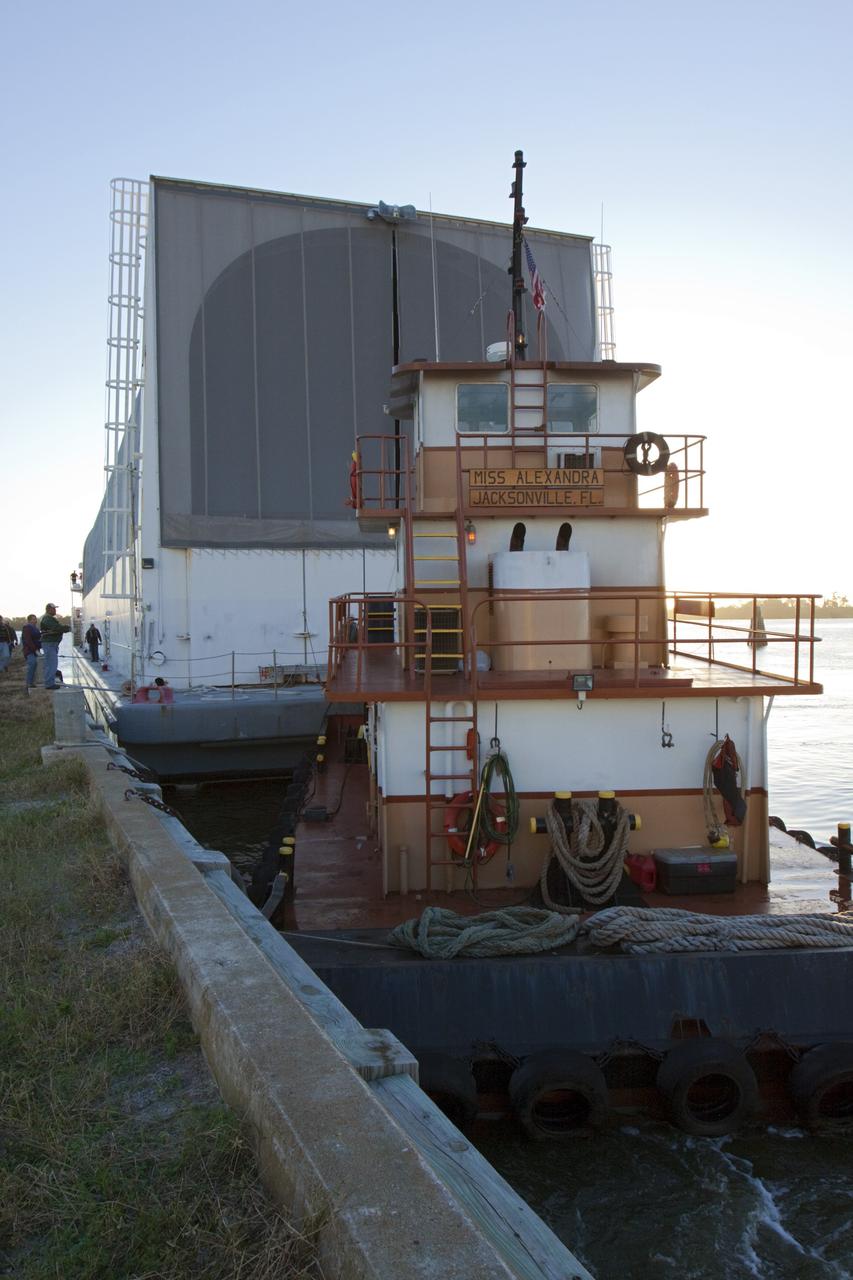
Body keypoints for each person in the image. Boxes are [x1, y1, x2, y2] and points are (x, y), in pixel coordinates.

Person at [39, 603, 70, 690]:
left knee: (51, 663)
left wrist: (63, 628)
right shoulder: (47, 618)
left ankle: (50, 682)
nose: (55, 610)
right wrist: (67, 628)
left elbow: (57, 628)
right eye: (54, 609)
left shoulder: (49, 618)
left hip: (52, 644)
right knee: (51, 664)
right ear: (48, 609)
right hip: (50, 644)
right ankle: (49, 684)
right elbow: (57, 628)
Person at [21, 614, 42, 689]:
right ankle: (28, 683)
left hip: (36, 650)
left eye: (35, 619)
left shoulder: (36, 628)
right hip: (29, 651)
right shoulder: (26, 628)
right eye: (33, 619)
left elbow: (39, 638)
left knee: (35, 665)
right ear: (29, 620)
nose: (35, 620)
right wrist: (35, 650)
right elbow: (28, 640)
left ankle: (32, 682)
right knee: (32, 664)